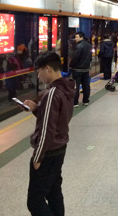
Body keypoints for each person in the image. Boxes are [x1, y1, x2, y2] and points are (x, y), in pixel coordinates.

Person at [23, 52, 75, 216]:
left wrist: (38, 157)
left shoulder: (52, 93)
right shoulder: (67, 87)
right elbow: (56, 119)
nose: (38, 76)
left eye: (39, 72)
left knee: (35, 201)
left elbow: (47, 130)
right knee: (53, 193)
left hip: (48, 153)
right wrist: (37, 109)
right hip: (59, 148)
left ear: (47, 69)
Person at [69, 31, 92, 107]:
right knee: (86, 85)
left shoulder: (78, 46)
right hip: (86, 69)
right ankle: (86, 100)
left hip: (77, 69)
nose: (75, 39)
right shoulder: (89, 45)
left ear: (81, 37)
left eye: (76, 37)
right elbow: (90, 57)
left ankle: (75, 102)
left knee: (76, 86)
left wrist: (71, 65)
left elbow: (75, 58)